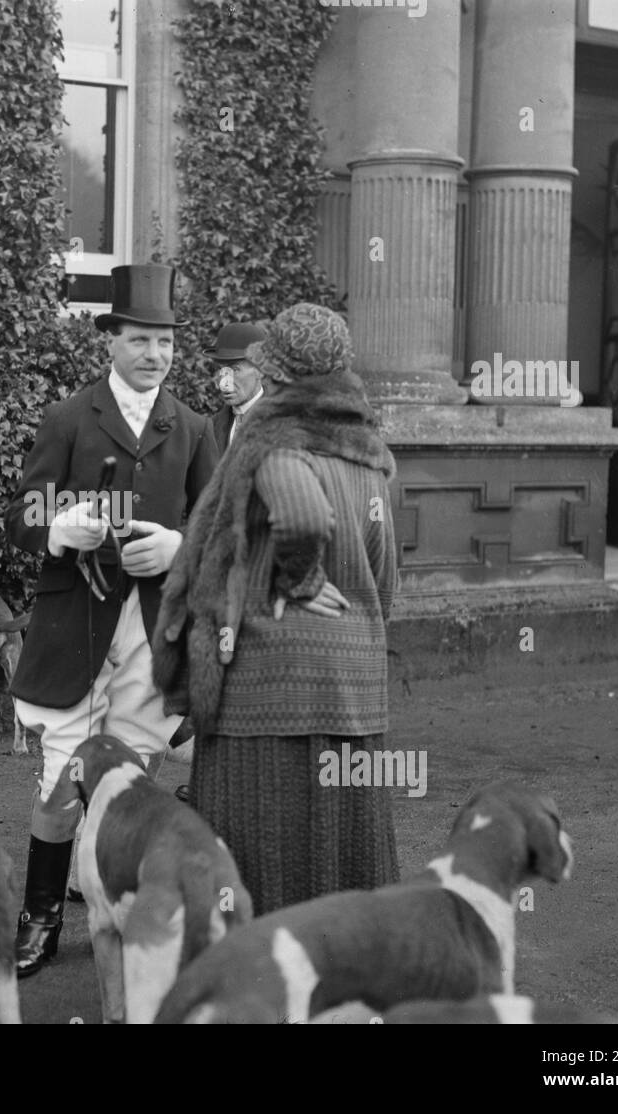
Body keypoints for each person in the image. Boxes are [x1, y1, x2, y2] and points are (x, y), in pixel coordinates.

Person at [4, 263, 218, 976]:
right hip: (76, 629)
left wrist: (180, 549)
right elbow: (21, 516)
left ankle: (122, 906)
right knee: (62, 775)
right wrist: (61, 527)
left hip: (149, 629)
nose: (154, 354)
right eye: (140, 340)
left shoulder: (190, 427)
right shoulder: (68, 417)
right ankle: (41, 916)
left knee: (128, 775)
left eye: (165, 342)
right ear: (111, 344)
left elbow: (222, 533)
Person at [152, 302, 400, 916]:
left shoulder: (274, 441)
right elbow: (386, 576)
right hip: (351, 688)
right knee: (346, 860)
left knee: (255, 856)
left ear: (281, 375)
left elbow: (303, 514)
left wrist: (301, 580)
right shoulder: (365, 452)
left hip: (266, 689)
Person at [204, 321, 268, 450]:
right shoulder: (209, 429)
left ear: (260, 370)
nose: (224, 383)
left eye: (236, 370)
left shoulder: (284, 424)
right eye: (222, 370)